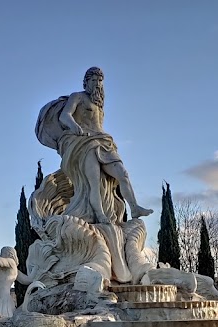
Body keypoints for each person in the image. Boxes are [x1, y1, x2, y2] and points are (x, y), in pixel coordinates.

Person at [36, 67, 154, 225]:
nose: (97, 84)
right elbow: (65, 115)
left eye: (100, 81)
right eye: (93, 80)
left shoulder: (99, 104)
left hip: (104, 142)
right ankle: (99, 214)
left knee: (122, 174)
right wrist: (74, 126)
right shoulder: (77, 97)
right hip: (85, 142)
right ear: (86, 83)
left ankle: (134, 207)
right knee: (94, 181)